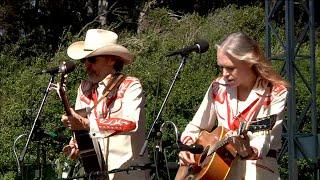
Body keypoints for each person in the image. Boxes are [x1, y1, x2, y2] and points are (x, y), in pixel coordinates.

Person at [177, 32, 288, 179]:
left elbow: (266, 138)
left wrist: (249, 150)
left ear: (249, 61)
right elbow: (196, 126)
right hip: (218, 173)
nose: (224, 74)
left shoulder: (275, 92)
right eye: (221, 67)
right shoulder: (217, 87)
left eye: (230, 68)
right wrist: (189, 148)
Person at [61, 29, 150, 180]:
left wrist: (87, 124)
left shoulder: (131, 85)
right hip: (95, 172)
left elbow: (131, 124)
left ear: (112, 59)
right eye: (85, 60)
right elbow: (81, 127)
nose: (86, 66)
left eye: (93, 60)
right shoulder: (83, 89)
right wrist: (76, 143)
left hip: (128, 173)